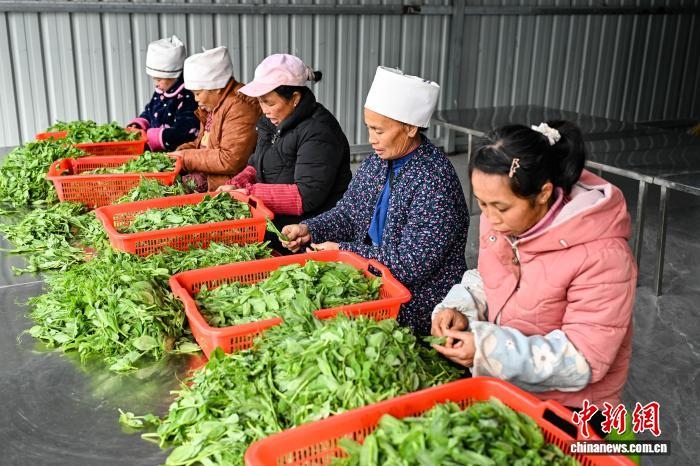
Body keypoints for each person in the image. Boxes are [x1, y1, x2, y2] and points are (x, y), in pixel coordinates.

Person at [430, 121, 637, 432]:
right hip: (509, 387)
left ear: (543, 194)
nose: (490, 218)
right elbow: (489, 278)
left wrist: (488, 350)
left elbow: (583, 359)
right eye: (482, 204)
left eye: (500, 207)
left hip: (571, 408)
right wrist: (460, 308)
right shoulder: (501, 224)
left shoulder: (603, 256)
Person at [281, 66, 469, 335]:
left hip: (418, 303)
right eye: (369, 128)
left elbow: (411, 264)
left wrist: (345, 253)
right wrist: (310, 229)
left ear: (410, 128)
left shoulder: (434, 181)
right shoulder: (376, 163)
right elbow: (348, 214)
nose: (371, 140)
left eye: (379, 131)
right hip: (374, 279)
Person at [217, 54, 351, 243]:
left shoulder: (319, 131)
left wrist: (248, 193)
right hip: (273, 219)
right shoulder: (270, 122)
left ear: (295, 98)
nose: (265, 110)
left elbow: (306, 196)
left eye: (270, 103)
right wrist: (237, 183)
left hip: (305, 231)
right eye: (261, 101)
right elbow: (256, 164)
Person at [172, 46, 261, 192]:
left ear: (217, 87)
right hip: (210, 175)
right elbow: (204, 145)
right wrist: (180, 152)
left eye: (198, 93)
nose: (196, 99)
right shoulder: (214, 107)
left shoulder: (240, 106)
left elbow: (231, 160)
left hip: (228, 183)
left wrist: (185, 158)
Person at [127, 35, 199, 151]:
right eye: (153, 79)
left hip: (177, 153)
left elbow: (185, 132)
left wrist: (153, 137)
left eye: (159, 79)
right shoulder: (161, 91)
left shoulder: (187, 97)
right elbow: (150, 111)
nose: (156, 84)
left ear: (173, 75)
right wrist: (139, 125)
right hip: (157, 152)